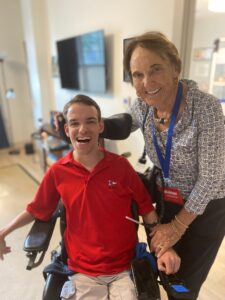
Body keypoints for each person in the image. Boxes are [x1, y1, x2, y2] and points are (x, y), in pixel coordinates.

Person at [0, 94, 180, 300]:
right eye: (74, 123)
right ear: (67, 130)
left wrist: (164, 249)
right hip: (83, 270)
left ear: (100, 126)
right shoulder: (58, 172)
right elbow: (35, 209)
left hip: (123, 268)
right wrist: (4, 231)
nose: (83, 129)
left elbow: (148, 211)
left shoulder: (121, 167)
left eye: (90, 121)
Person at [123, 31, 225, 299]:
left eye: (155, 69)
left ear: (175, 69)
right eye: (137, 74)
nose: (146, 82)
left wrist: (177, 227)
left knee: (184, 284)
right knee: (166, 268)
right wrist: (89, 123)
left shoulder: (206, 108)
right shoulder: (144, 105)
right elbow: (124, 122)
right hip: (166, 197)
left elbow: (212, 179)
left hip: (204, 208)